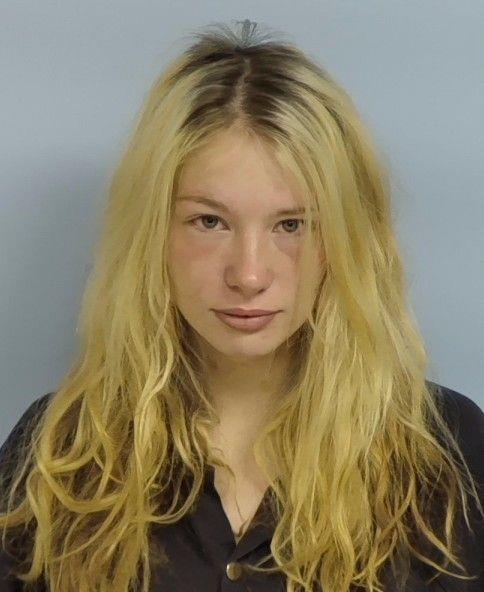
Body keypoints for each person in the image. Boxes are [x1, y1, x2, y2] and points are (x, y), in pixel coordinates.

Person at [0, 18, 483, 592]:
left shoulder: (450, 450)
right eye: (209, 221)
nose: (249, 275)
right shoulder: (61, 452)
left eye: (292, 225)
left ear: (347, 240)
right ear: (153, 232)